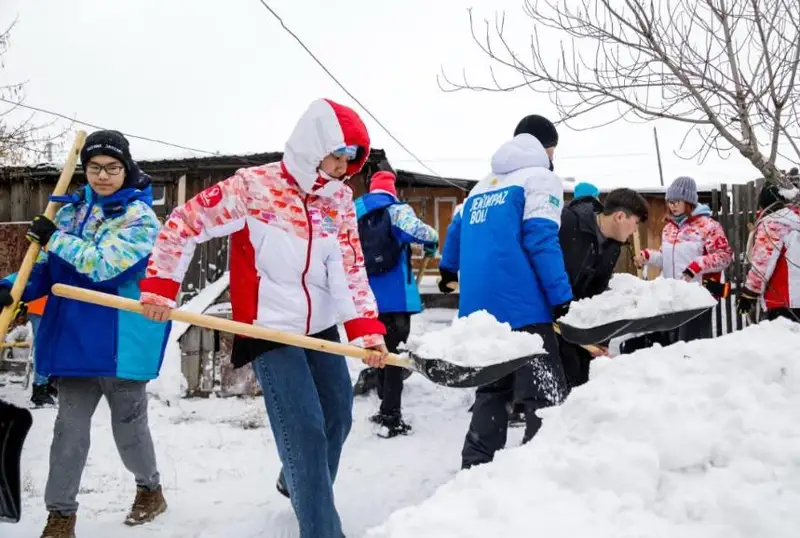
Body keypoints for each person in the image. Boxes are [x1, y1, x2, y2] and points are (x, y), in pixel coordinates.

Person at [139, 98, 388, 538]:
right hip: (268, 327)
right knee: (306, 432)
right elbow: (184, 221)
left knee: (339, 416)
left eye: (352, 159)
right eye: (337, 155)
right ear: (314, 146)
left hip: (320, 326)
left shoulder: (340, 201)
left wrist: (367, 330)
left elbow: (350, 266)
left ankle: (297, 480)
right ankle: (321, 528)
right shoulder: (253, 186)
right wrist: (161, 286)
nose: (342, 168)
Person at [0, 129, 170, 537]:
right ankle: (61, 517)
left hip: (121, 341)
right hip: (75, 337)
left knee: (128, 431)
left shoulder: (140, 218)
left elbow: (105, 266)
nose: (103, 175)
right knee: (68, 432)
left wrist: (53, 237)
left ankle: (150, 488)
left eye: (112, 167)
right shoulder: (72, 210)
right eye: (94, 167)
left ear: (126, 168)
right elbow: (53, 269)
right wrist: (13, 286)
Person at [438, 114, 573, 469]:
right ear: (548, 148)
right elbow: (541, 238)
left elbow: (455, 233)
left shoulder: (482, 185)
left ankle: (475, 466)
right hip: (525, 306)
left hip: (480, 313)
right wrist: (561, 298)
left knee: (492, 390)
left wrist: (448, 270)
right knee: (544, 392)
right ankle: (542, 471)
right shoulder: (541, 179)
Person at [352, 170, 438, 437]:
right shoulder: (397, 209)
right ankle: (391, 416)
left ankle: (384, 404)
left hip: (364, 298)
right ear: (391, 190)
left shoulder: (355, 209)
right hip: (396, 299)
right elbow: (419, 231)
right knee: (394, 356)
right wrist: (432, 240)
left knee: (378, 351)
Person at [558, 188, 649, 387]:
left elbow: (596, 295)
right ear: (619, 216)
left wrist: (599, 340)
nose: (635, 231)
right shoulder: (569, 222)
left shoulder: (612, 247)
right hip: (547, 315)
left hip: (574, 321)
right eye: (635, 224)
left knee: (581, 378)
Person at [635, 176, 733, 343]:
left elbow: (724, 256)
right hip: (671, 299)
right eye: (670, 202)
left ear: (689, 201)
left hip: (696, 299)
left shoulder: (708, 226)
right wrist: (648, 257)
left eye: (677, 201)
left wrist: (697, 265)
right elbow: (665, 260)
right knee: (671, 350)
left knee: (692, 350)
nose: (672, 206)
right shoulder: (668, 229)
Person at [737, 181, 800, 322]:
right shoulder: (795, 221)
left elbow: (762, 262)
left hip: (783, 301)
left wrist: (750, 293)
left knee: (782, 343)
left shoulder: (773, 223)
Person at [26, 297, 57, 407]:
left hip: (54, 307)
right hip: (41, 306)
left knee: (53, 348)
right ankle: (40, 390)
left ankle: (48, 385)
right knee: (42, 347)